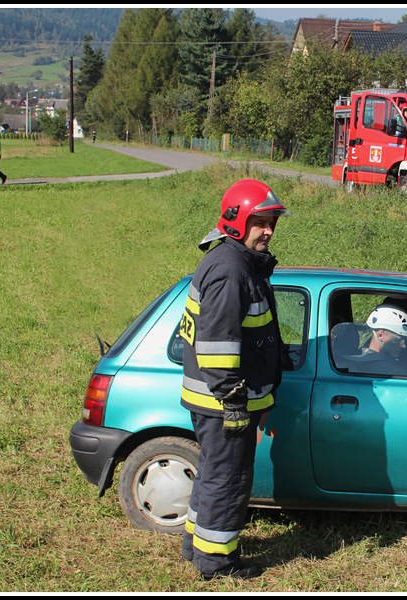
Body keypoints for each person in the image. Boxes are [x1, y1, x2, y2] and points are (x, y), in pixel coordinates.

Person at [179, 179, 289, 581]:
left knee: (213, 473)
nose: (269, 231)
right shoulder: (230, 271)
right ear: (237, 222)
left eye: (272, 222)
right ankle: (217, 561)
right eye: (261, 222)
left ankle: (195, 545)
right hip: (223, 403)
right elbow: (216, 345)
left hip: (217, 401)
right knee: (228, 481)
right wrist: (234, 402)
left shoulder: (236, 261)